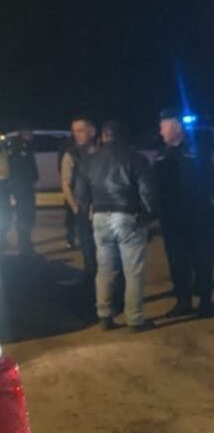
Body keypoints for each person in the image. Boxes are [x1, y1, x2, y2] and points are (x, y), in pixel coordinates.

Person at [75, 120, 156, 333]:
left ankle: (104, 315)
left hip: (100, 216)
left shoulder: (89, 161)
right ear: (124, 137)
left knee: (104, 269)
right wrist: (149, 215)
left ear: (103, 136)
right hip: (127, 215)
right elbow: (147, 191)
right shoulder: (136, 158)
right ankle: (135, 319)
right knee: (133, 271)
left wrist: (87, 214)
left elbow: (81, 194)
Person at [153, 108, 214, 319]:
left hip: (198, 216)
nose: (160, 131)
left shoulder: (197, 150)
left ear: (177, 126)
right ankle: (183, 301)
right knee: (177, 262)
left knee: (202, 261)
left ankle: (205, 302)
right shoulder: (161, 155)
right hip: (172, 220)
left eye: (164, 126)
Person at [60, 116, 99, 279]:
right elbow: (66, 184)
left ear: (92, 132)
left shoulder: (102, 152)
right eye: (74, 131)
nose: (76, 134)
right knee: (88, 250)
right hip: (83, 211)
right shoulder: (70, 155)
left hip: (103, 210)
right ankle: (90, 283)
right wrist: (76, 208)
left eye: (80, 131)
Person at [8, 127, 39, 256]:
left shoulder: (25, 146)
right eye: (30, 133)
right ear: (24, 133)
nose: (32, 135)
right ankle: (24, 247)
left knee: (28, 216)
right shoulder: (18, 147)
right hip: (21, 188)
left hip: (25, 187)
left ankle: (26, 245)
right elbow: (17, 169)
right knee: (24, 217)